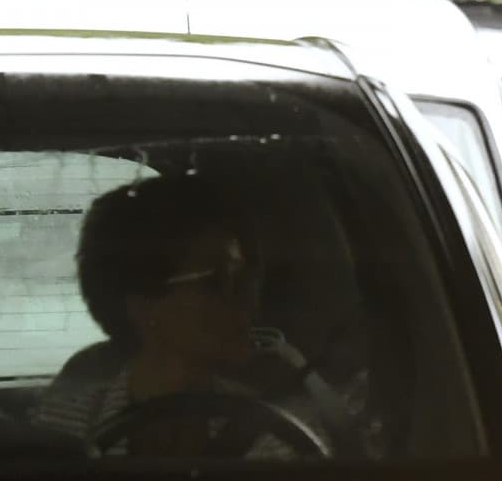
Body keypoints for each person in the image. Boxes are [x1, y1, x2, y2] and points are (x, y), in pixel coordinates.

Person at [34, 174, 328, 458]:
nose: (247, 298)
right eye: (218, 280)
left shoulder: (280, 435)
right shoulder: (67, 423)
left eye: (246, 278)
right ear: (143, 307)